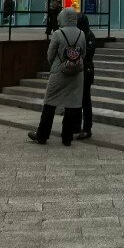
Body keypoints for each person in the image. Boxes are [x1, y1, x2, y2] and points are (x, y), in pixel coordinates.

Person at [28, 8, 86, 146]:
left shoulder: (58, 34)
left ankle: (42, 135)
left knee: (50, 103)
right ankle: (67, 137)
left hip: (59, 72)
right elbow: (83, 54)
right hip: (77, 74)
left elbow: (50, 54)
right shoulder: (82, 34)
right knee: (71, 105)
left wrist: (56, 65)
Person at [75, 13, 96, 140]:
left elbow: (87, 53)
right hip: (81, 70)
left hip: (86, 71)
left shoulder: (88, 35)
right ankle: (76, 125)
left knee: (85, 100)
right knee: (77, 98)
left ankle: (87, 128)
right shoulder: (82, 35)